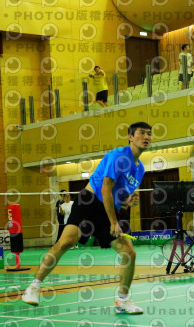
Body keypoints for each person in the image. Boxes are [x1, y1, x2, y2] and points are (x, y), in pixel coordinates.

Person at [22, 122, 152, 314]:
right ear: (130, 137)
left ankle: (122, 301)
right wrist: (114, 222)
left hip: (107, 209)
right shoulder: (119, 155)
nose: (146, 137)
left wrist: (127, 201)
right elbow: (106, 188)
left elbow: (118, 195)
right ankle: (33, 287)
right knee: (66, 242)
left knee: (129, 253)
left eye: (149, 134)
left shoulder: (139, 170)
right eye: (142, 133)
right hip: (89, 201)